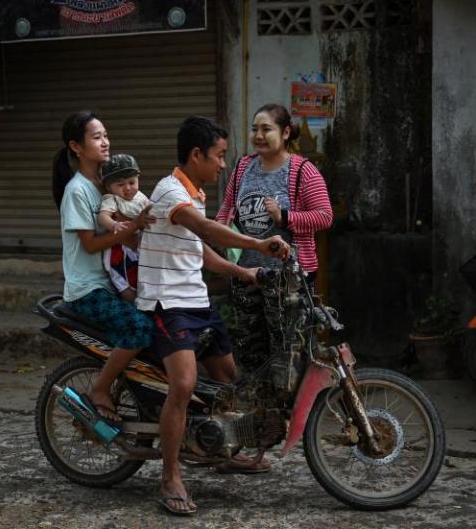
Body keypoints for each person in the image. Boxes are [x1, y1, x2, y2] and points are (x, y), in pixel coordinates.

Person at [136, 116, 290, 516]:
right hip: (166, 304)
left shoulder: (195, 192)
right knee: (184, 385)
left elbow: (196, 250)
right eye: (220, 156)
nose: (224, 164)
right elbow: (207, 230)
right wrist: (257, 243)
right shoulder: (170, 192)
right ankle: (170, 476)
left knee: (228, 378)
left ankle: (223, 450)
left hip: (196, 301)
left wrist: (243, 272)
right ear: (196, 155)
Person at [51, 111, 155, 423]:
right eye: (97, 137)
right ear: (76, 147)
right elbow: (91, 244)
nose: (105, 142)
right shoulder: (77, 191)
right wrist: (132, 226)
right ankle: (100, 388)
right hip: (88, 289)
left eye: (106, 135)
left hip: (115, 281)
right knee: (140, 328)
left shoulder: (110, 184)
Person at [215, 103, 333, 283]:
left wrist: (284, 217)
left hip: (290, 280)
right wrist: (220, 226)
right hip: (247, 275)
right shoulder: (242, 167)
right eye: (254, 129)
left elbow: (324, 217)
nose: (259, 136)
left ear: (285, 133)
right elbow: (227, 207)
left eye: (266, 129)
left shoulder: (303, 171)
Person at [97, 154, 150, 302]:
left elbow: (151, 212)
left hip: (139, 245)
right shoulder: (112, 199)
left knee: (141, 277)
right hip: (118, 249)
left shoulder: (141, 198)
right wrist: (114, 224)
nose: (127, 188)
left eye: (132, 182)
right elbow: (103, 217)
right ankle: (131, 304)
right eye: (120, 185)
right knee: (123, 283)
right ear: (109, 187)